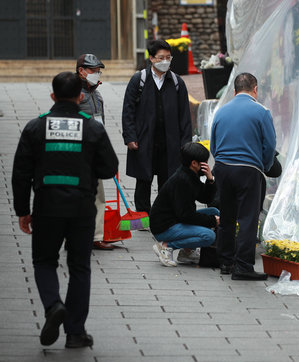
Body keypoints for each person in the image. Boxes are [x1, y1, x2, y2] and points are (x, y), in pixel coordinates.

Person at [12, 72, 119, 348]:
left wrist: (23, 210)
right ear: (80, 97)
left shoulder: (36, 127)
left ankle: (52, 306)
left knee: (44, 261)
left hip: (47, 206)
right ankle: (75, 333)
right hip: (82, 208)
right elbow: (109, 167)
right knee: (80, 267)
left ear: (52, 97)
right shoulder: (92, 128)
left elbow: (21, 174)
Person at [211, 73, 276, 281]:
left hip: (222, 168)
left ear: (234, 90)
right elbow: (270, 146)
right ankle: (243, 266)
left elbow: (213, 143)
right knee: (248, 219)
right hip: (248, 169)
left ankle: (225, 262)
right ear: (255, 89)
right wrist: (263, 167)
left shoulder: (221, 111)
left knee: (227, 216)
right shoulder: (261, 112)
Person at [121, 39, 192, 216]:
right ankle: (143, 215)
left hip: (170, 142)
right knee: (144, 179)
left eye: (168, 57)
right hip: (145, 140)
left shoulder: (176, 82)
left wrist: (186, 143)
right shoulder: (139, 80)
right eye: (161, 58)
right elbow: (128, 110)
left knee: (168, 179)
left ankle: (163, 214)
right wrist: (130, 137)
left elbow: (185, 116)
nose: (165, 61)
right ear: (151, 58)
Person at [150, 142, 219, 267]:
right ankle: (165, 247)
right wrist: (213, 221)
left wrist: (210, 180)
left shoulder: (191, 174)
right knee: (209, 236)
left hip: (176, 218)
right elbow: (186, 215)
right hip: (164, 227)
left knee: (214, 211)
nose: (206, 165)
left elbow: (205, 198)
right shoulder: (182, 180)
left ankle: (187, 252)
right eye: (204, 162)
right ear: (194, 163)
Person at [76, 53, 113, 250]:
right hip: (78, 153)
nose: (96, 73)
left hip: (95, 152)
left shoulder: (97, 94)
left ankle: (96, 237)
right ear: (81, 71)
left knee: (98, 196)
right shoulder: (74, 94)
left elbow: (102, 124)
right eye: (93, 70)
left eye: (98, 70)